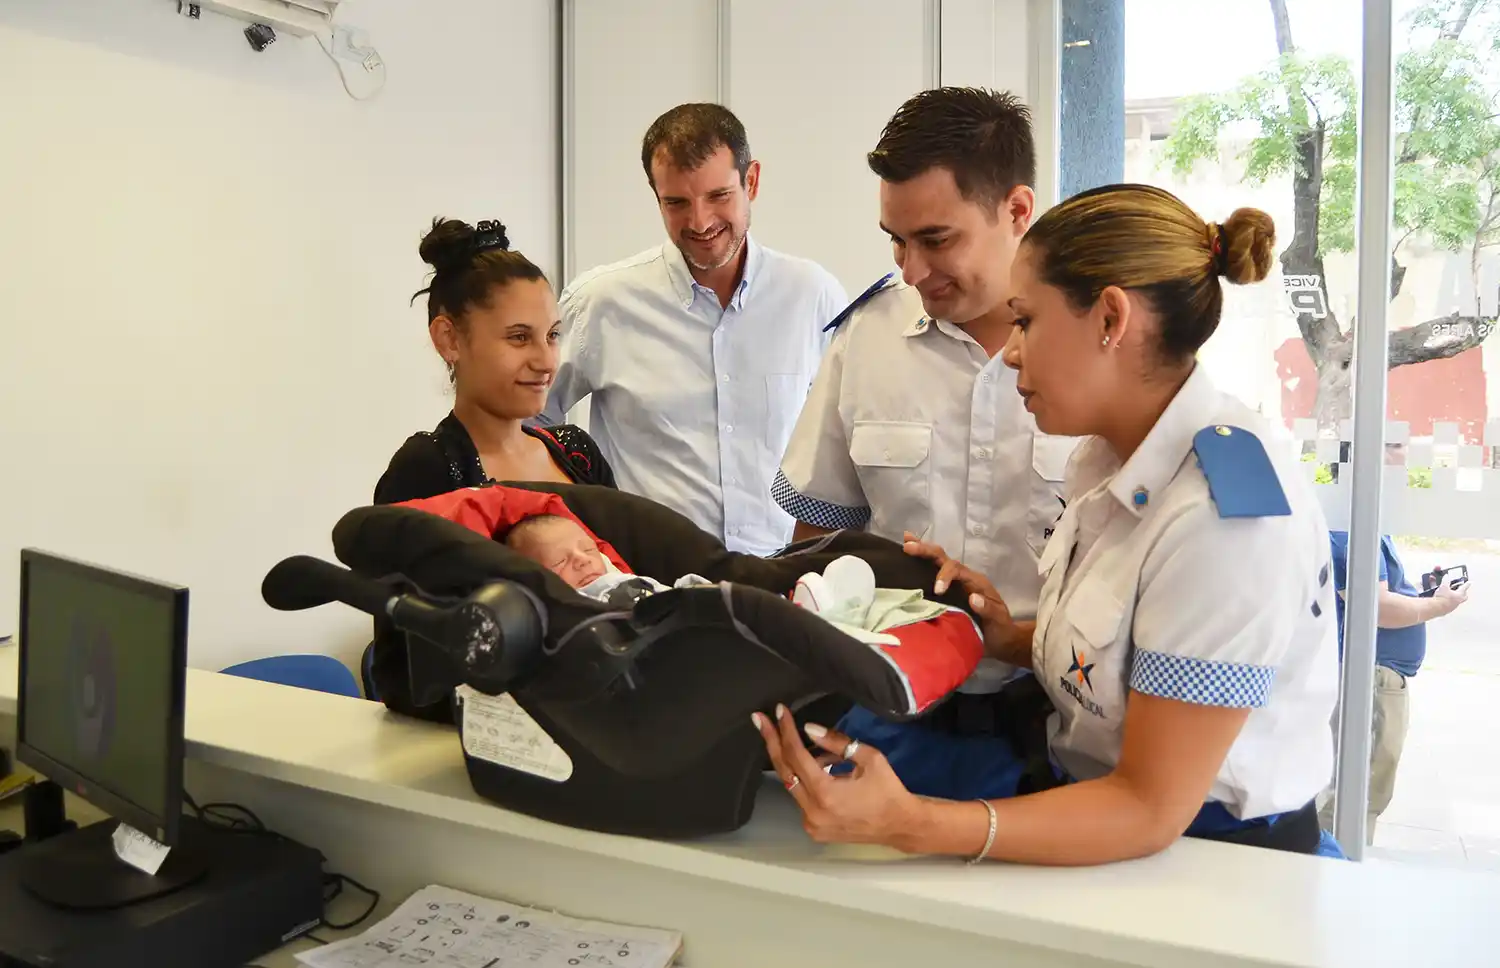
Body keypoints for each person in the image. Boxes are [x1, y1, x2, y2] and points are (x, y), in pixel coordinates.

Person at [755, 183, 1342, 864]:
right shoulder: (1107, 459)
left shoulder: (1223, 520)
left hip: (1209, 861)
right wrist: (1011, 637)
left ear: (1110, 319)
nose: (1010, 351)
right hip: (1101, 825)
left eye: (1026, 321)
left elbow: (1148, 807)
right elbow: (1130, 657)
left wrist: (912, 822)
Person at [774, 86, 1077, 703]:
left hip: (1060, 716)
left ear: (1017, 211)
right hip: (894, 709)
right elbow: (820, 539)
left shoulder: (1096, 350)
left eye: (936, 240)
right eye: (896, 239)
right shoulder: (868, 336)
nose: (910, 270)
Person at [537, 103, 848, 556]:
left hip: (783, 582)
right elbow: (527, 418)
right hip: (648, 585)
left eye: (719, 196)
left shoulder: (813, 296)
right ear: (656, 196)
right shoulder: (600, 302)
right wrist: (578, 521)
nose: (700, 222)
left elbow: (840, 443)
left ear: (752, 181)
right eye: (677, 203)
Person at [375, 217, 615, 505]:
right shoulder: (425, 470)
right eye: (519, 337)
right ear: (449, 339)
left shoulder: (578, 453)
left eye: (552, 335)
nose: (546, 362)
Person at [1319, 506, 1471, 842]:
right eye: (1398, 449)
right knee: (1357, 794)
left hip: (1376, 673)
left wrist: (1421, 592)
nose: (1403, 458)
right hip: (1371, 675)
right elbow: (1377, 608)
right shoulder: (1350, 527)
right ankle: (1332, 872)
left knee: (1364, 791)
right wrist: (1441, 605)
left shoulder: (1366, 521)